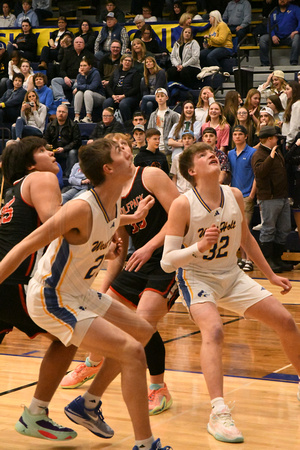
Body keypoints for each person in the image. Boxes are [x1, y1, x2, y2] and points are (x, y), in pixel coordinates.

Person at [0, 137, 172, 450]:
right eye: (119, 150)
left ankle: (88, 405)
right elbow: (26, 245)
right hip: (52, 297)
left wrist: (127, 221)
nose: (126, 149)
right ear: (108, 168)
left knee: (144, 333)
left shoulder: (114, 199)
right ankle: (146, 444)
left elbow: (105, 221)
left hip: (79, 293)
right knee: (132, 352)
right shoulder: (79, 208)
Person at [161, 141, 300, 444]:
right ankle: (218, 411)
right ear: (191, 170)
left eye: (212, 151)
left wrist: (271, 275)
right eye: (201, 155)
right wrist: (198, 246)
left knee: (286, 323)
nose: (211, 154)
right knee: (214, 331)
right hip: (198, 277)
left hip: (233, 275)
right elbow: (167, 261)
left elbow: (246, 239)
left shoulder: (234, 194)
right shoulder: (183, 204)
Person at [61, 133, 179, 420]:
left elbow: (182, 215)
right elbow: (121, 247)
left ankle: (159, 388)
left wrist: (150, 246)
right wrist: (103, 289)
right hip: (139, 260)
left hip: (170, 258)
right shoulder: (113, 195)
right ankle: (92, 361)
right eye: (116, 148)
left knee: (143, 322)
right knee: (102, 313)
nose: (123, 150)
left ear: (131, 151)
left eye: (125, 145)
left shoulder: (149, 174)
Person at [0, 136, 79, 438]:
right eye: (44, 151)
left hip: (5, 278)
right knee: (68, 336)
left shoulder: (12, 188)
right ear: (32, 163)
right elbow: (54, 223)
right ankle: (35, 414)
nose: (53, 152)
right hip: (13, 281)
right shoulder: (42, 177)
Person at [252, 125, 292, 272]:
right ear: (269, 138)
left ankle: (277, 258)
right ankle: (267, 261)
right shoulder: (259, 154)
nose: (277, 139)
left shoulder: (276, 151)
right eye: (275, 137)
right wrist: (271, 157)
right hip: (269, 197)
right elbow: (259, 173)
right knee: (268, 229)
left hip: (281, 196)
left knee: (284, 228)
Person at [228, 125, 256, 271]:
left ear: (246, 136)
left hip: (246, 195)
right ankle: (241, 258)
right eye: (235, 134)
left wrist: (252, 194)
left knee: (246, 228)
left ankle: (249, 259)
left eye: (240, 134)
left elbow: (256, 175)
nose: (237, 136)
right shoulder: (229, 153)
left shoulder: (252, 152)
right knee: (237, 228)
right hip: (233, 196)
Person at [51, 37, 94, 103]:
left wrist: (81, 77)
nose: (79, 44)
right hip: (69, 80)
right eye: (77, 42)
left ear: (84, 44)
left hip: (82, 80)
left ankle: (74, 105)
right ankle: (62, 99)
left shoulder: (89, 55)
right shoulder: (68, 54)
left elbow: (92, 70)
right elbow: (62, 69)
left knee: (76, 85)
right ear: (73, 44)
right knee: (55, 81)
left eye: (81, 42)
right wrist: (65, 77)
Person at [43, 104, 82, 176]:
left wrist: (64, 149)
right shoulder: (50, 125)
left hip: (67, 150)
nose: (61, 114)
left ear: (67, 114)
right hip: (54, 149)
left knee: (73, 152)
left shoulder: (73, 125)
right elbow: (45, 139)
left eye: (63, 112)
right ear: (56, 112)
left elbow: (77, 141)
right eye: (59, 111)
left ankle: (69, 174)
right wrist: (49, 146)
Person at [259, 0, 300, 66]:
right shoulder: (274, 11)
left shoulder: (295, 8)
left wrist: (297, 30)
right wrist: (273, 35)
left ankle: (293, 61)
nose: (282, 0)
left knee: (297, 37)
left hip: (289, 37)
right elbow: (269, 26)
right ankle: (265, 63)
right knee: (263, 39)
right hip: (277, 38)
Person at [103, 55, 141, 123]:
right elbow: (109, 86)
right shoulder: (116, 72)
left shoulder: (135, 73)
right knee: (107, 102)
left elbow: (136, 88)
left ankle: (127, 124)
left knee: (123, 104)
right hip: (115, 96)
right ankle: (107, 123)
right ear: (121, 62)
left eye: (129, 61)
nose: (127, 62)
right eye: (125, 60)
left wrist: (123, 96)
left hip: (129, 97)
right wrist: (113, 96)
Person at [73, 56, 105, 123]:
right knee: (79, 93)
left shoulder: (96, 73)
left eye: (84, 65)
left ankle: (88, 117)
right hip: (86, 97)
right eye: (81, 66)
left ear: (90, 66)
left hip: (99, 96)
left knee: (87, 92)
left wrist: (78, 87)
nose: (82, 68)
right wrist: (82, 76)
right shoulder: (79, 75)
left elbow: (92, 87)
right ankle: (76, 116)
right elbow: (80, 86)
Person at [148, 88, 180, 155]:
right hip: (155, 149)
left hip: (168, 149)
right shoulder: (153, 115)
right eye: (158, 96)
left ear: (167, 97)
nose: (160, 98)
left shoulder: (173, 115)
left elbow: (177, 131)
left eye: (162, 96)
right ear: (155, 99)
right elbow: (149, 131)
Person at [282, 80, 300, 149]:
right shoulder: (291, 103)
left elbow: (295, 126)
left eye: (287, 89)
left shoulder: (297, 105)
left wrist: (288, 142)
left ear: (294, 90)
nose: (285, 92)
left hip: (292, 140)